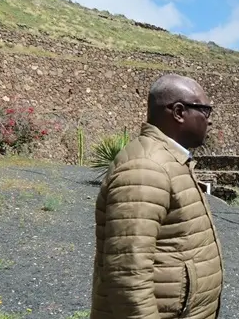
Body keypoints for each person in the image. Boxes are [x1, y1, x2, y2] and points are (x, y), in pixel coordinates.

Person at [89, 74, 225, 319]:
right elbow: (127, 274)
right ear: (179, 112)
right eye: (205, 110)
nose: (210, 121)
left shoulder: (169, 160)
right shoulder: (146, 168)